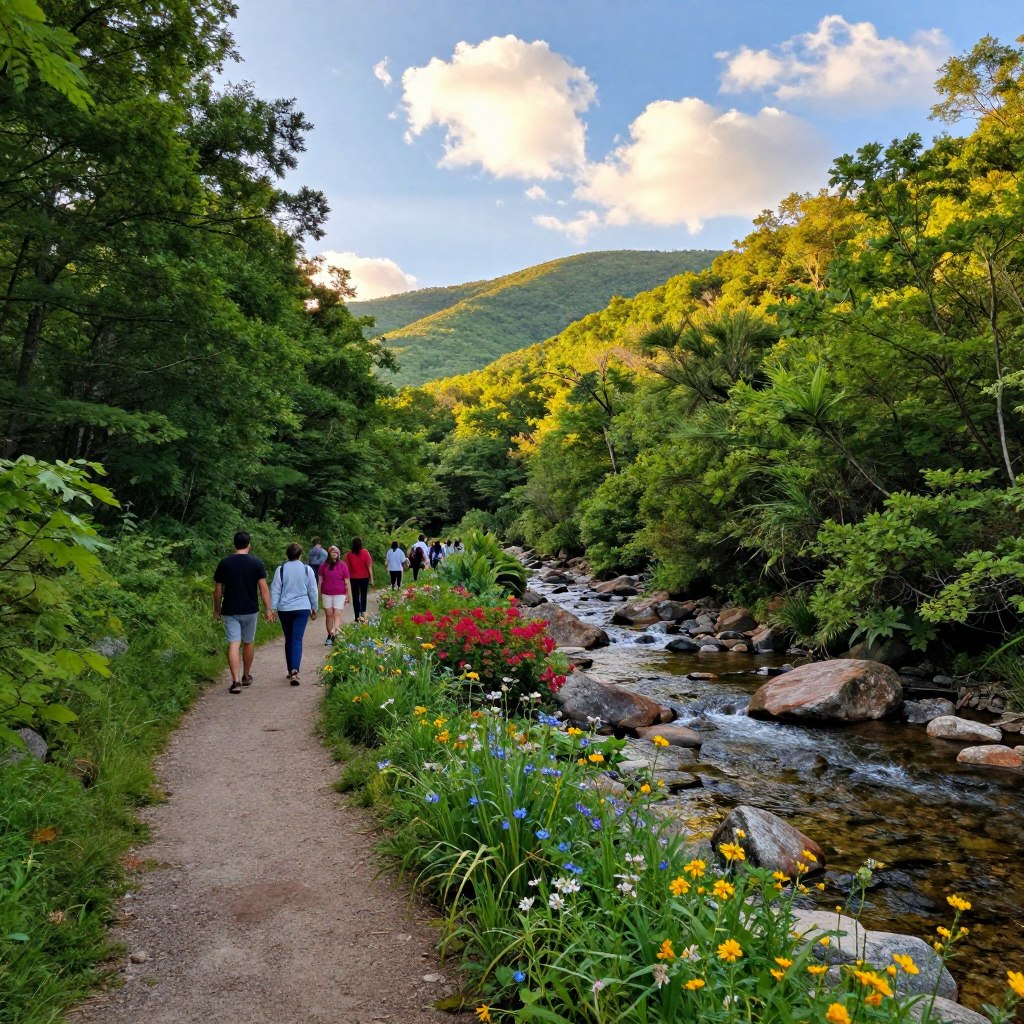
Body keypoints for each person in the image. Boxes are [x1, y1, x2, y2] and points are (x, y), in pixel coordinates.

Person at [213, 531, 274, 695]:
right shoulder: (256, 563)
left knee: (234, 643)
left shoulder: (224, 563)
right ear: (249, 545)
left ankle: (236, 681)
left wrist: (216, 609)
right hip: (250, 609)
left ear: (234, 544)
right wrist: (269, 609)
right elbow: (263, 589)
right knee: (248, 642)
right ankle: (246, 675)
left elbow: (217, 591)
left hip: (230, 610)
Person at [270, 543, 319, 685]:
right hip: (302, 607)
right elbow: (312, 589)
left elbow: (276, 589)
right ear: (300, 555)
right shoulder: (306, 569)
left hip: (284, 608)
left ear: (287, 554)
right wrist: (314, 607)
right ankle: (295, 670)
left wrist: (273, 608)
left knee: (289, 638)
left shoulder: (281, 569)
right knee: (297, 639)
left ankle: (290, 669)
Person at [318, 544, 351, 645]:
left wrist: (349, 595)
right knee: (329, 615)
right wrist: (318, 594)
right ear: (329, 554)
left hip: (340, 593)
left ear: (339, 554)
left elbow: (347, 581)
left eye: (336, 552)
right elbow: (319, 581)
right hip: (326, 593)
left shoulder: (343, 565)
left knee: (337, 614)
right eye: (332, 552)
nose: (334, 554)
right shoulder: (323, 566)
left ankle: (334, 633)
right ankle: (330, 635)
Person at [345, 537, 373, 622]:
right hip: (364, 578)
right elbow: (369, 566)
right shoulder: (365, 553)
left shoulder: (349, 555)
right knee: (363, 596)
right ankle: (363, 613)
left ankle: (357, 615)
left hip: (353, 579)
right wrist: (372, 578)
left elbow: (347, 568)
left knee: (355, 597)